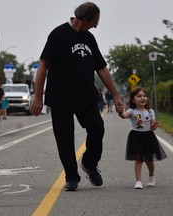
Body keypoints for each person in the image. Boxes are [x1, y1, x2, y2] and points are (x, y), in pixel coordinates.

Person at [30, 2, 124, 191]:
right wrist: (38, 97)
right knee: (65, 138)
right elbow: (43, 64)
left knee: (97, 128)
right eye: (95, 21)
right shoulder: (58, 34)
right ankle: (72, 177)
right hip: (60, 98)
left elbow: (102, 68)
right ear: (84, 19)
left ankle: (89, 163)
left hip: (86, 96)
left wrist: (116, 95)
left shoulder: (90, 38)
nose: (97, 25)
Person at [119, 87, 167, 189]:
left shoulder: (150, 111)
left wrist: (154, 126)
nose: (142, 98)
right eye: (139, 96)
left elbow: (153, 125)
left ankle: (151, 175)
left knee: (149, 160)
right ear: (133, 100)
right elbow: (124, 115)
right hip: (136, 136)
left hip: (148, 136)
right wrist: (120, 112)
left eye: (144, 96)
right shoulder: (132, 111)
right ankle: (138, 181)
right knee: (138, 159)